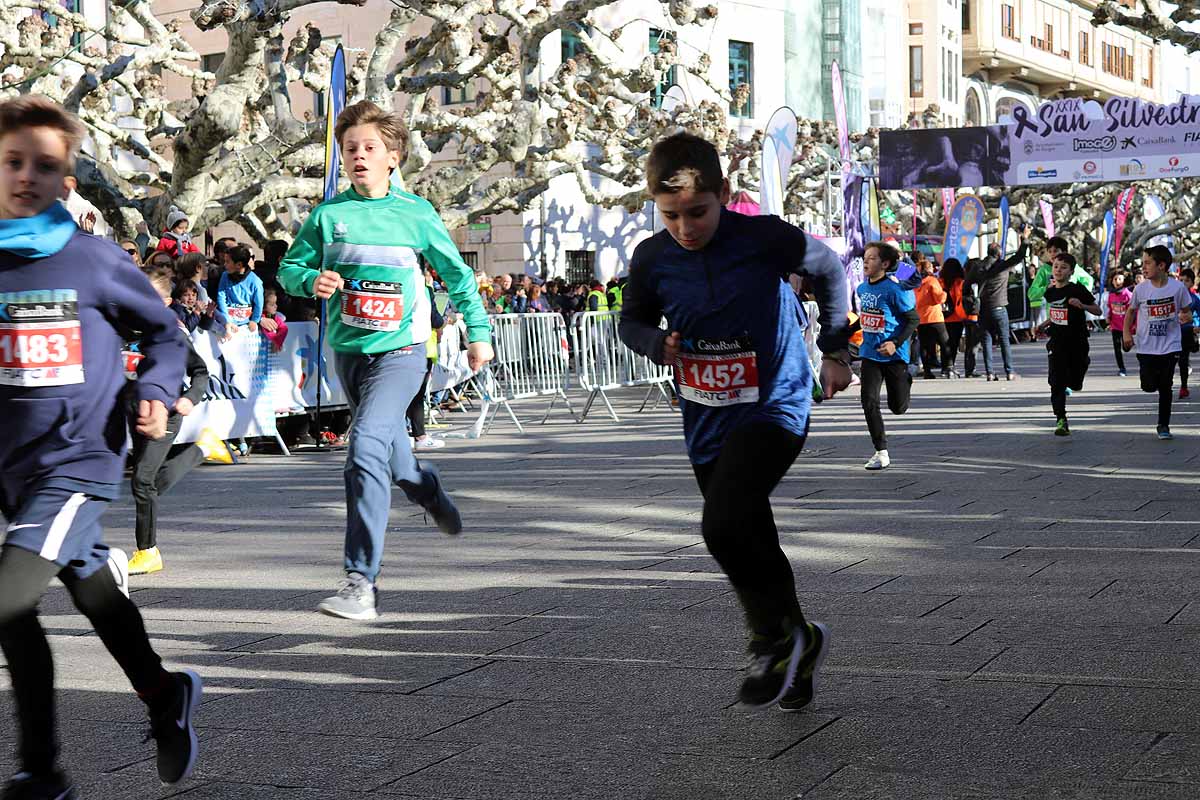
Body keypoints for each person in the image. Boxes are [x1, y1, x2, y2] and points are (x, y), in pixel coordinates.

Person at [0, 95, 202, 796]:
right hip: (13, 469)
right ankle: (163, 692)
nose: (26, 176)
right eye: (12, 162)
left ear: (67, 182)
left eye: (44, 166)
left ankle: (42, 769)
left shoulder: (93, 260)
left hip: (76, 462)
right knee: (91, 591)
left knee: (6, 601)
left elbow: (165, 333)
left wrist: (154, 389)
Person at [618, 132, 850, 711]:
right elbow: (632, 320)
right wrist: (654, 342)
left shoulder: (764, 237)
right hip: (706, 416)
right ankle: (801, 641)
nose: (685, 227)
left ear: (723, 194)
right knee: (749, 532)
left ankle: (768, 639)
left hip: (777, 400)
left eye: (697, 212)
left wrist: (837, 348)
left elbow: (830, 272)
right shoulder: (652, 257)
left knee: (722, 525)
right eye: (670, 215)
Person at [278, 100, 494, 620]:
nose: (358, 156)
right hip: (349, 354)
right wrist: (311, 280)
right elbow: (289, 269)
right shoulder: (329, 216)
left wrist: (478, 332)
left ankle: (360, 581)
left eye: (369, 148)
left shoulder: (416, 214)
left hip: (402, 352)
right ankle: (429, 489)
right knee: (393, 458)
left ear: (393, 156)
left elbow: (458, 276)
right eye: (350, 148)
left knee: (365, 447)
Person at [128, 265, 231, 575]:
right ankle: (203, 449)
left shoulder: (172, 331)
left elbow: (200, 371)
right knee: (144, 483)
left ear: (165, 302)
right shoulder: (125, 326)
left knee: (142, 481)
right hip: (134, 409)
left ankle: (148, 552)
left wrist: (190, 397)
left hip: (168, 412)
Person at [857, 242, 919, 470]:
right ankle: (880, 451)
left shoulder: (895, 289)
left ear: (884, 264)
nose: (866, 262)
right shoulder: (862, 289)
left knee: (898, 407)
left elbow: (913, 319)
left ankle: (907, 378)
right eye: (865, 257)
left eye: (872, 258)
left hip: (895, 356)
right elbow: (863, 318)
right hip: (870, 354)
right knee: (869, 401)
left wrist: (895, 342)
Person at [1123, 245, 1193, 439]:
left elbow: (1187, 310)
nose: (1143, 267)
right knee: (1148, 385)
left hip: (1171, 345)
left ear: (1161, 265)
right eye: (1143, 263)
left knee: (1165, 386)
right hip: (1146, 346)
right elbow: (1130, 312)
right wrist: (1126, 335)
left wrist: (1186, 316)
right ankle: (1151, 385)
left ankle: (1163, 425)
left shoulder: (1177, 288)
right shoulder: (1141, 289)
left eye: (1147, 263)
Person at [1037, 253, 1099, 436]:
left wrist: (1082, 305)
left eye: (1063, 267)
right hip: (1056, 341)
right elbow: (1056, 312)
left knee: (1075, 379)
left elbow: (1098, 309)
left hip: (1077, 340)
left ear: (1071, 271)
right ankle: (1061, 419)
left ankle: (1082, 367)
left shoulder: (1077, 290)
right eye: (1056, 266)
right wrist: (1043, 324)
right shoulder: (1050, 292)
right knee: (1056, 382)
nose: (1058, 270)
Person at [968, 229, 1030, 381]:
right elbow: (1019, 256)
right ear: (999, 254)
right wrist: (1025, 239)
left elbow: (967, 285)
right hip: (999, 307)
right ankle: (1009, 371)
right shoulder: (1002, 266)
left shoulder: (977, 267)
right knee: (1004, 340)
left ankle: (990, 373)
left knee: (987, 340)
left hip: (983, 308)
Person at [216, 244, 267, 334]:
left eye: (227, 262)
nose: (224, 265)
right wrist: (226, 319)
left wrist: (255, 320)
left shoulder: (255, 281)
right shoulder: (225, 276)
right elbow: (221, 297)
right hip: (228, 320)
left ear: (238, 265)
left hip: (247, 322)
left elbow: (259, 303)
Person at [914, 258, 948, 379]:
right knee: (945, 344)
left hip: (921, 319)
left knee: (925, 346)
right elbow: (939, 298)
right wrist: (944, 293)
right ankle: (947, 368)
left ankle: (927, 371)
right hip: (934, 317)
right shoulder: (932, 281)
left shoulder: (916, 283)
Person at [940, 258, 970, 378]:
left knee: (944, 343)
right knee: (954, 343)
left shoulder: (940, 281)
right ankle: (950, 366)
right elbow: (960, 297)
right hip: (957, 316)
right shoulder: (960, 282)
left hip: (943, 316)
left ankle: (944, 367)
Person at [1106, 271, 1132, 377]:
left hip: (1126, 326)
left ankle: (1129, 344)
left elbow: (1133, 311)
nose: (1117, 281)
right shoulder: (1111, 295)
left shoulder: (1128, 295)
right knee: (1117, 348)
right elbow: (1110, 308)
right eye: (1115, 279)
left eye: (1119, 279)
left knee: (1125, 348)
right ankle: (1122, 368)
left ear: (1124, 281)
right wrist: (1108, 317)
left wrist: (1133, 325)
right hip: (1115, 326)